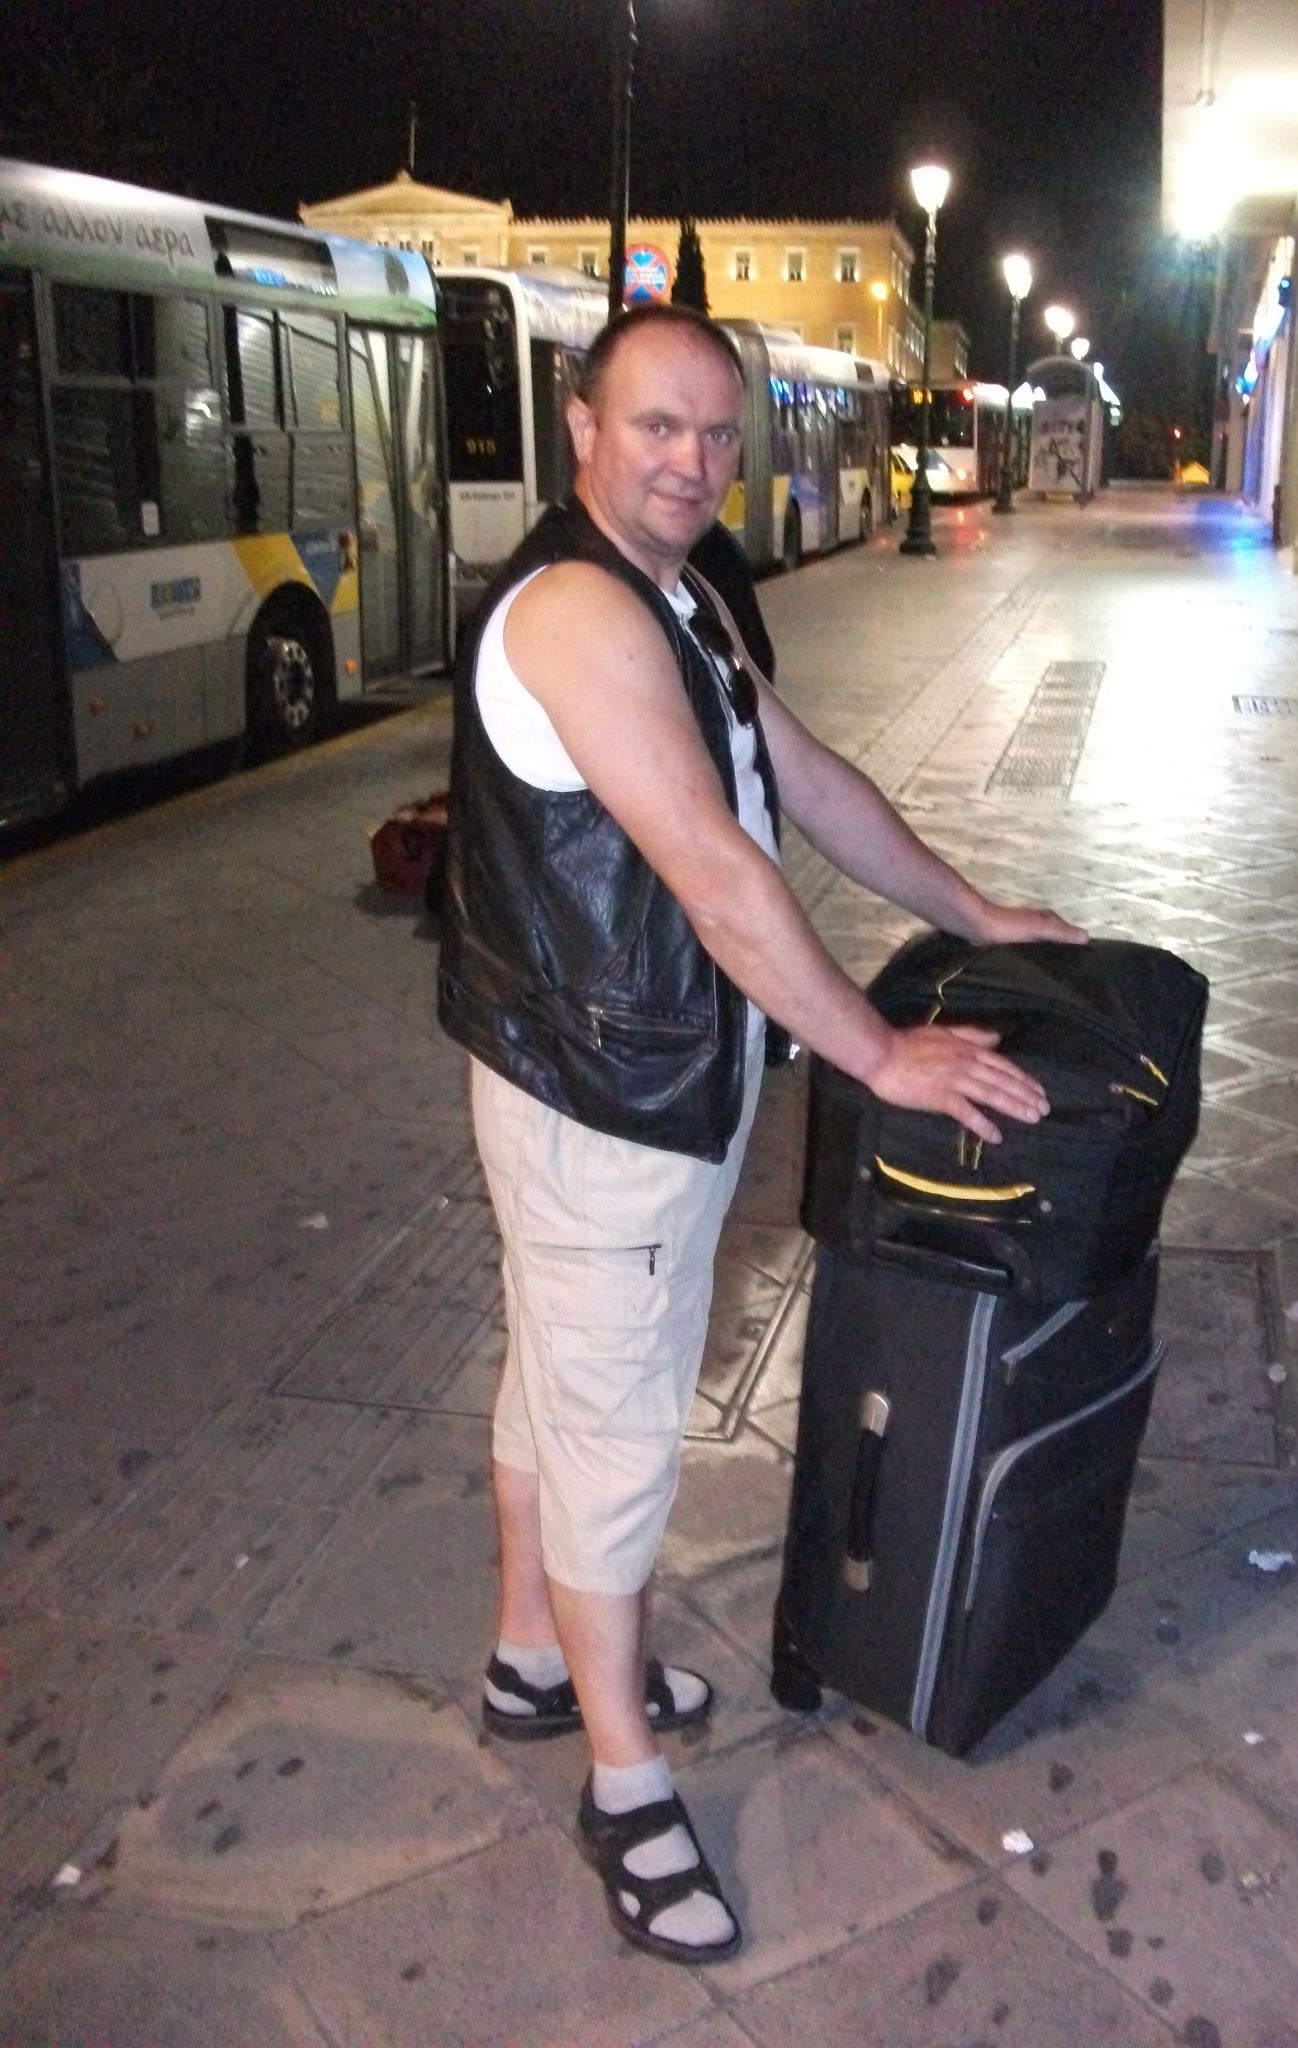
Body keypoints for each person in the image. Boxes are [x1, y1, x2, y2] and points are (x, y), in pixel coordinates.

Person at [437, 303, 1085, 1967]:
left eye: (718, 433)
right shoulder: (578, 612)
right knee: (616, 1432)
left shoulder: (685, 596)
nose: (693, 461)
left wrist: (975, 910)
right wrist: (879, 1053)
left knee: (559, 1375)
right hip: (608, 1102)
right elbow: (719, 877)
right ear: (583, 427)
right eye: (657, 425)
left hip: (633, 1078)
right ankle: (623, 1783)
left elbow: (808, 783)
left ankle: (531, 1655)